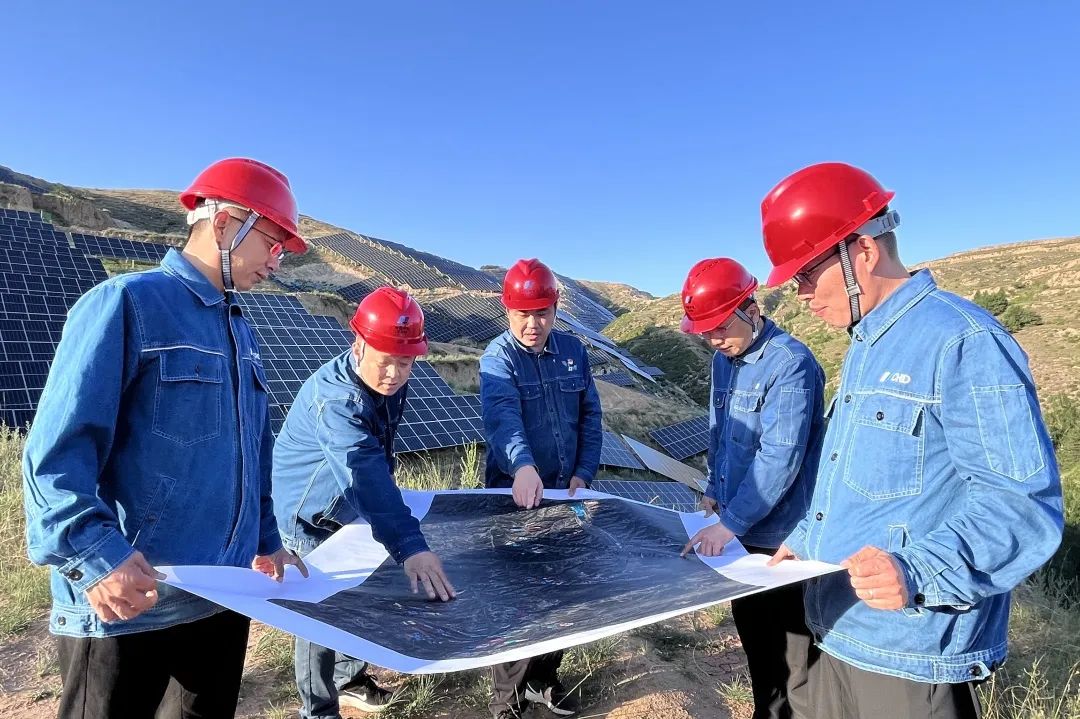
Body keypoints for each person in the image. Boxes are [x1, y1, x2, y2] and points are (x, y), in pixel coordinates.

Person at [762, 161, 1064, 718]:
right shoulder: (866, 345)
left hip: (908, 649)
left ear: (862, 252)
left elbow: (1021, 507)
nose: (799, 294)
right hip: (835, 625)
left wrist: (915, 570)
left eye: (805, 274)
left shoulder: (963, 341)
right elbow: (862, 479)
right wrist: (806, 536)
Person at [22, 157, 309, 719]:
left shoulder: (239, 328)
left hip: (219, 596)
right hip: (129, 601)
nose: (277, 262)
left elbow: (250, 451)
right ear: (224, 224)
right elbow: (56, 454)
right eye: (272, 244)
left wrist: (266, 538)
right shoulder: (128, 303)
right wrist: (96, 556)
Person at [272, 286, 456, 718]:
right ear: (359, 345)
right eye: (385, 360)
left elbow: (378, 452)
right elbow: (364, 473)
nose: (393, 373)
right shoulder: (338, 400)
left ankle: (349, 678)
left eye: (405, 362)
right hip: (308, 515)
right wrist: (409, 544)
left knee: (362, 590)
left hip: (346, 507)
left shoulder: (387, 382)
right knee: (319, 612)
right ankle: (318, 710)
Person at [678, 257, 825, 719]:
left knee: (794, 656)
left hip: (780, 534)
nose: (714, 339)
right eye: (705, 332)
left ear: (752, 310)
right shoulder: (723, 361)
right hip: (738, 526)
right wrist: (713, 487)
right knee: (757, 640)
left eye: (721, 327)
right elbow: (721, 432)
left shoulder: (791, 364)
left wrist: (730, 524)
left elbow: (780, 457)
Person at [479, 258, 603, 718]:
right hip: (515, 496)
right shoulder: (498, 358)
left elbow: (590, 415)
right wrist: (522, 466)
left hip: (567, 494)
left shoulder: (573, 351)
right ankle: (506, 701)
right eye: (522, 315)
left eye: (542, 314)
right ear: (506, 311)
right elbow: (502, 417)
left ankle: (543, 680)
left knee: (563, 591)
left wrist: (584, 472)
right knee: (520, 598)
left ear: (555, 309)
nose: (532, 325)